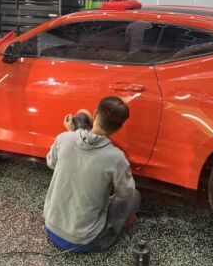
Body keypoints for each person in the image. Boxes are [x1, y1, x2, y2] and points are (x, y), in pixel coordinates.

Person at [43, 96, 140, 252]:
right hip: (84, 242)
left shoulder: (63, 138)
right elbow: (125, 193)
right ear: (119, 128)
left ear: (94, 114)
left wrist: (73, 133)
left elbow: (51, 163)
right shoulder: (116, 158)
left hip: (51, 229)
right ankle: (108, 235)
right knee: (134, 196)